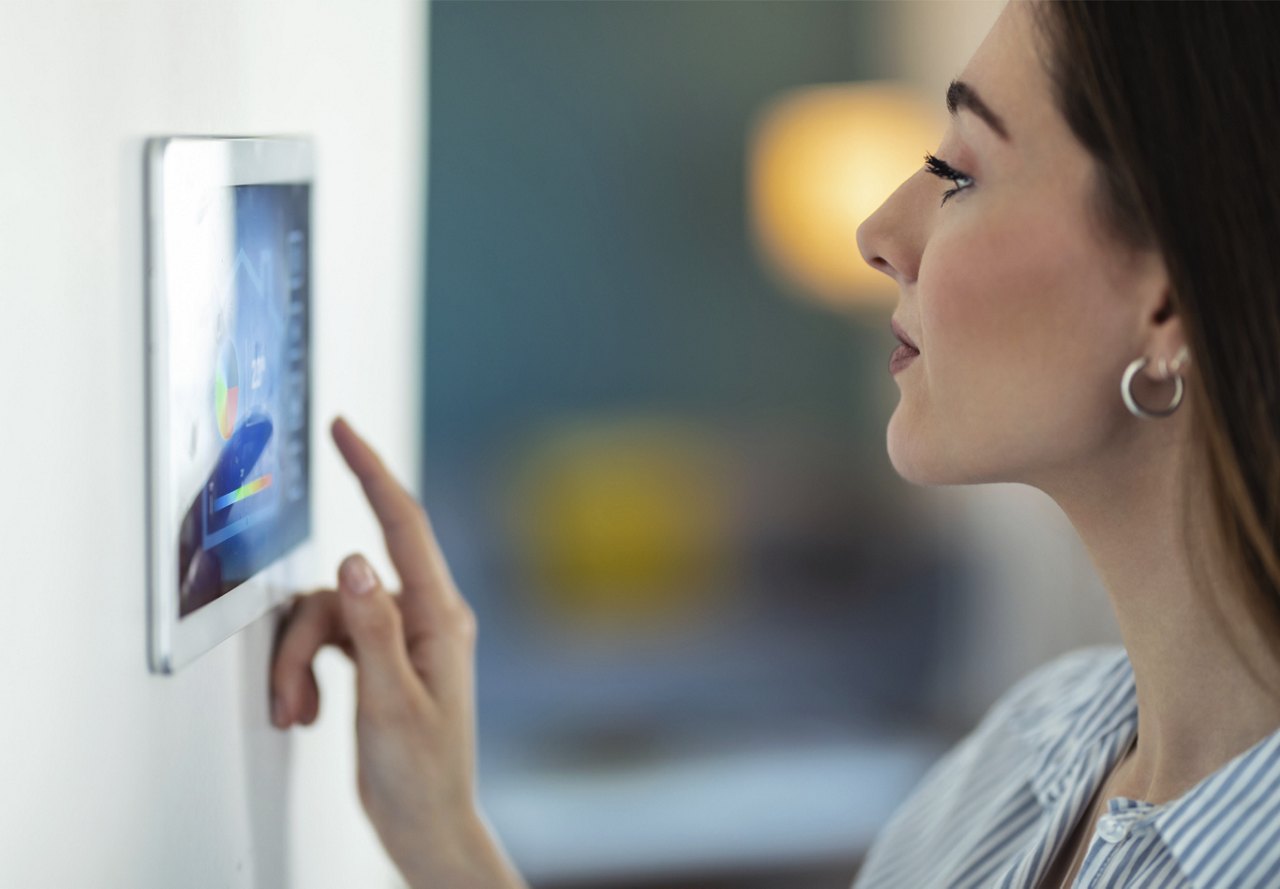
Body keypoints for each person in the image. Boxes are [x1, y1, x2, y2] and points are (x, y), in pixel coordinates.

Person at [270, 0, 1280, 886]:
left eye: (958, 172)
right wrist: (444, 834)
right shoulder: (1024, 751)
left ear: (1163, 300)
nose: (877, 230)